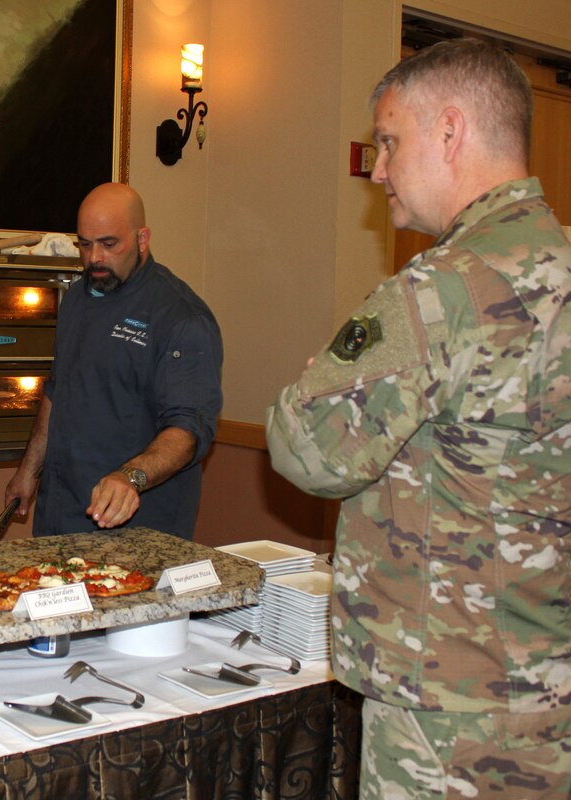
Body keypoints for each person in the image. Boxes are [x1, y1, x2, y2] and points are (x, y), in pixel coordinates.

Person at [266, 39, 571, 797]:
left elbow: (303, 446)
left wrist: (314, 386)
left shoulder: (440, 292)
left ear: (451, 132)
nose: (377, 169)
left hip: (445, 713)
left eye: (391, 141)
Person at [5, 183, 223, 538]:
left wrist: (130, 477)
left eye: (109, 244)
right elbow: (57, 391)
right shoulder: (77, 298)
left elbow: (188, 429)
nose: (95, 259)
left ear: (142, 238)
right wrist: (28, 470)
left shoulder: (181, 316)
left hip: (137, 526)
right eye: (85, 245)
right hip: (61, 513)